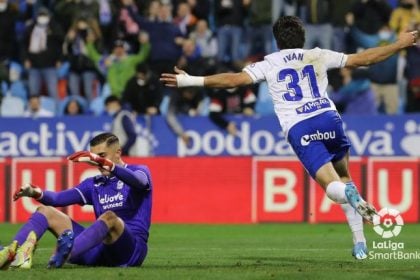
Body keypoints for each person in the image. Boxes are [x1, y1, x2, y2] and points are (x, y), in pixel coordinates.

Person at [161, 16, 418, 260]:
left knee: (333, 188)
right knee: (346, 177)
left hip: (300, 126)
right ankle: (360, 243)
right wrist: (400, 43)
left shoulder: (270, 62)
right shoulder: (318, 54)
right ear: (302, 37)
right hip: (330, 119)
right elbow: (365, 59)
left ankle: (352, 200)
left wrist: (189, 80)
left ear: (276, 41)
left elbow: (233, 80)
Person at [0, 132, 153, 269]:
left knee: (109, 217)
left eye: (101, 156)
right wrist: (35, 192)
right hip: (99, 250)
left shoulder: (139, 170)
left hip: (130, 251)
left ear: (118, 153)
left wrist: (106, 164)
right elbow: (58, 199)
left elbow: (139, 182)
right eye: (94, 158)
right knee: (45, 211)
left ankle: (66, 253)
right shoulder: (93, 184)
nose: (97, 163)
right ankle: (14, 254)